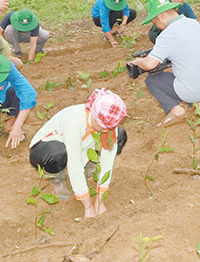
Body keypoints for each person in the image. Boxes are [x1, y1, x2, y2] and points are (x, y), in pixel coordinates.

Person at [29, 89, 128, 218]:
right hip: (47, 147)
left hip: (83, 146)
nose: (106, 129)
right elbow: (73, 162)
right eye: (103, 126)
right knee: (58, 154)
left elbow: (108, 161)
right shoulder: (74, 122)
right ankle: (58, 179)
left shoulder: (109, 127)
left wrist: (99, 200)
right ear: (94, 114)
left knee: (120, 135)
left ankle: (88, 167)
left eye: (109, 127)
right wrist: (88, 206)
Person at [129, 0, 200, 127]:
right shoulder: (193, 23)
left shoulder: (167, 35)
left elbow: (149, 64)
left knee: (152, 80)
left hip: (193, 91)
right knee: (187, 66)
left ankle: (175, 110)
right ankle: (199, 103)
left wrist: (137, 61)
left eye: (155, 23)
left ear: (160, 16)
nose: (158, 26)